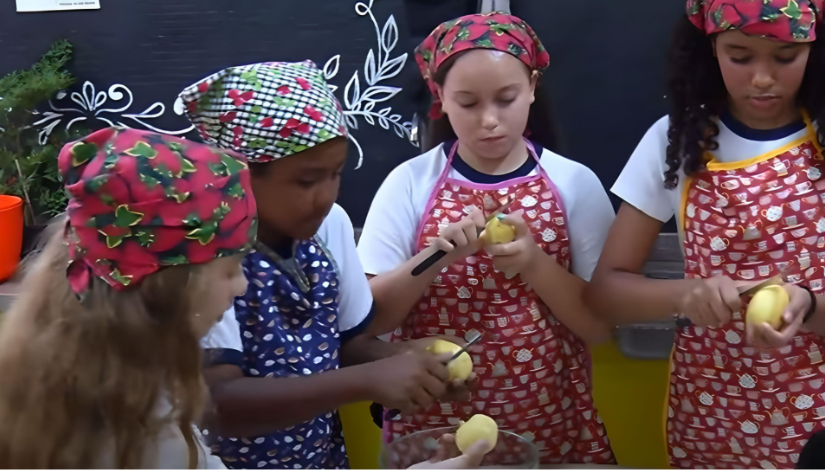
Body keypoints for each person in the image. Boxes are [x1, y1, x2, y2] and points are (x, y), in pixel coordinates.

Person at [357, 12, 617, 465]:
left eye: (506, 98)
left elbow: (598, 327)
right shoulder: (409, 184)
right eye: (469, 103)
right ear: (440, 97)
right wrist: (435, 256)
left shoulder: (574, 183)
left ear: (533, 86)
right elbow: (372, 320)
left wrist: (535, 263)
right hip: (432, 424)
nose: (490, 120)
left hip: (548, 421)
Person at [179, 61, 465, 469]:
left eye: (336, 174)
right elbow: (219, 403)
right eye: (307, 181)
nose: (326, 196)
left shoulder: (331, 228)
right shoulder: (205, 253)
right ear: (240, 173)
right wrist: (367, 381)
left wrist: (409, 362)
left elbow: (345, 346)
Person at [587, 1, 825, 468]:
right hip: (711, 410)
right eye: (740, 56)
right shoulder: (674, 141)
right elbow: (606, 293)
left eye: (784, 57)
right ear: (710, 48)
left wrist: (809, 305)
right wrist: (687, 294)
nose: (761, 78)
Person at [0, 127, 258, 468]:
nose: (241, 286)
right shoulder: (141, 437)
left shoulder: (59, 379)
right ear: (166, 285)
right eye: (229, 270)